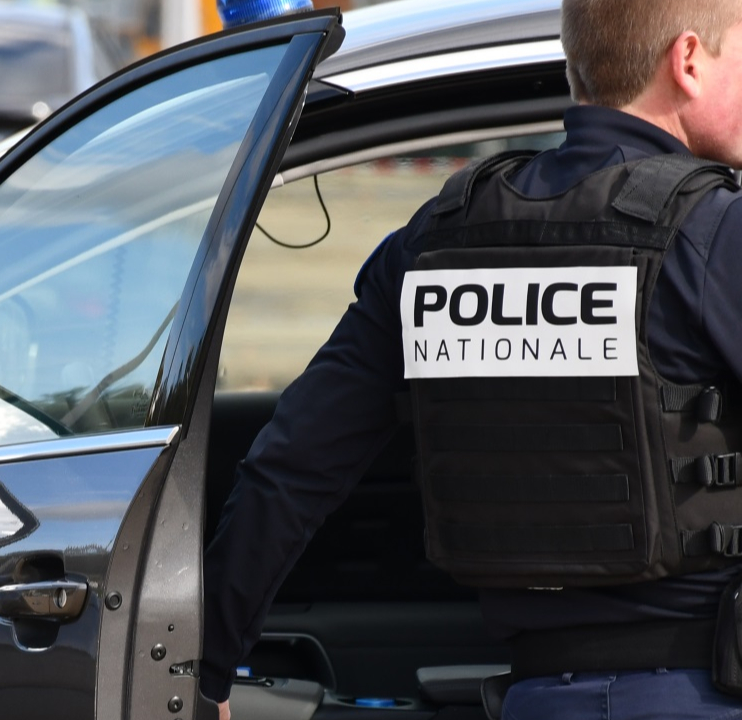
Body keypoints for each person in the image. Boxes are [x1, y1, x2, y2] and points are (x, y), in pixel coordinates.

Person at [202, 1, 742, 718]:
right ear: (688, 61)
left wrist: (201, 671)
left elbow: (293, 467)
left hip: (532, 697)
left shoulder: (433, 242)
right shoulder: (719, 235)